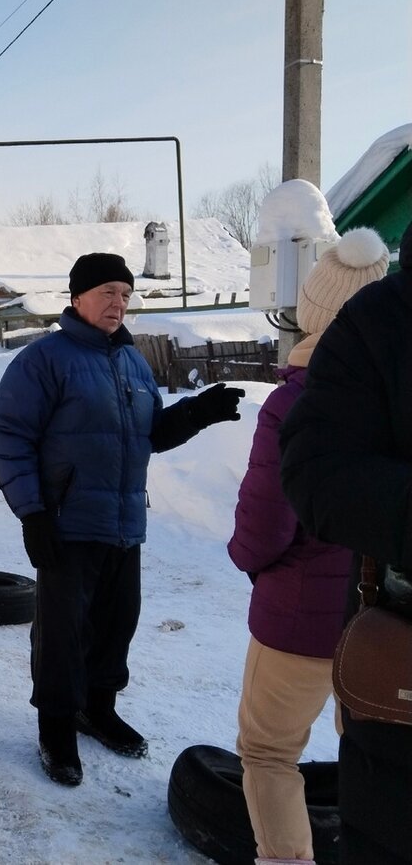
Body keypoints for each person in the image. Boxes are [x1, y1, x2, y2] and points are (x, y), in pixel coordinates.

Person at [0, 252, 245, 787]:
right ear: (78, 297)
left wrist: (198, 411)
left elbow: (150, 434)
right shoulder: (44, 360)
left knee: (116, 621)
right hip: (66, 522)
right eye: (108, 291)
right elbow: (10, 438)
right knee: (62, 632)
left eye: (126, 295)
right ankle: (56, 725)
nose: (118, 303)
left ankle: (97, 709)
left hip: (125, 521)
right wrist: (32, 513)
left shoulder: (132, 361)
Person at [228, 227, 389, 865]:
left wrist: (248, 562)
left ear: (313, 311)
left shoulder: (294, 404)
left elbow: (263, 529)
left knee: (268, 753)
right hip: (387, 622)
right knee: (377, 759)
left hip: (301, 620)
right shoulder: (397, 396)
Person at [280, 220, 412, 865]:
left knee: (274, 749)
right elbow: (301, 485)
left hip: (325, 618)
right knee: (271, 747)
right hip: (395, 677)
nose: (121, 303)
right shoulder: (384, 322)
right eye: (109, 290)